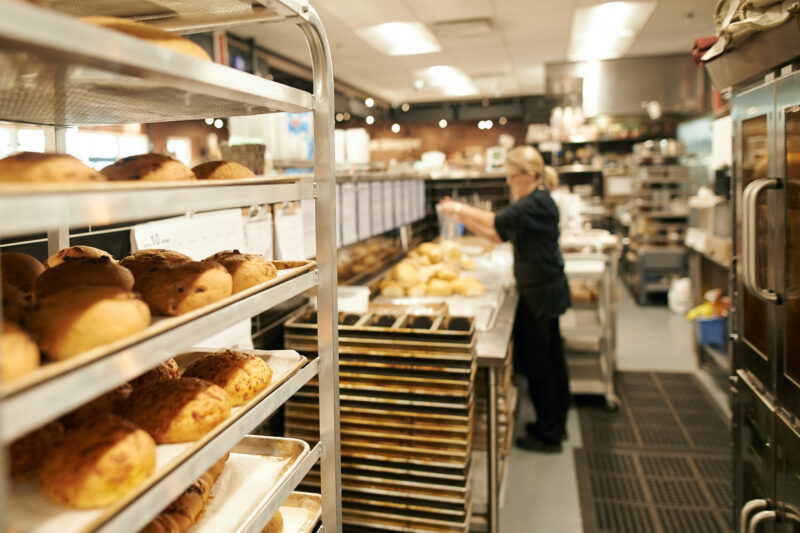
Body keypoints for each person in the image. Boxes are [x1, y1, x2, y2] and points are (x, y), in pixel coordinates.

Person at [438, 146, 571, 453]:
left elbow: (496, 220)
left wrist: (457, 209)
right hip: (542, 289)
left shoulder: (536, 203)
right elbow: (497, 234)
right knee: (550, 359)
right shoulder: (534, 203)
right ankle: (555, 421)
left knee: (543, 363)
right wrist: (462, 221)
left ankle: (549, 433)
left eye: (512, 177)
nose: (508, 183)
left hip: (541, 292)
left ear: (530, 175)